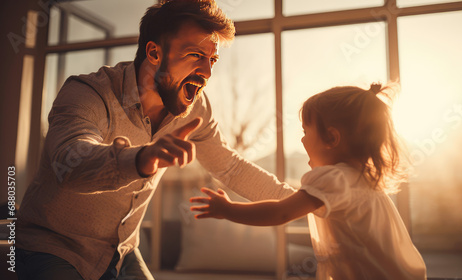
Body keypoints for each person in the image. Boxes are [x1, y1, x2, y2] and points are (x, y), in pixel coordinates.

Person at [16, 1, 294, 280]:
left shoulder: (195, 106)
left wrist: (303, 202)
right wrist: (140, 159)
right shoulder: (88, 93)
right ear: (154, 53)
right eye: (196, 55)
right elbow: (69, 161)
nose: (207, 73)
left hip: (121, 251)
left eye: (212, 60)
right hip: (53, 247)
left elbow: (231, 168)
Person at [191, 83, 428, 279]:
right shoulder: (363, 180)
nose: (302, 142)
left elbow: (281, 213)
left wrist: (229, 209)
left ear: (332, 138)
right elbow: (290, 199)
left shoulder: (332, 178)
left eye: (305, 132)